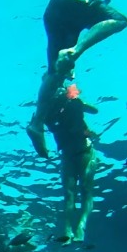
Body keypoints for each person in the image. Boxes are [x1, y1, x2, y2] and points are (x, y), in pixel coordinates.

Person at [26, 0, 127, 157]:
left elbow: (90, 0)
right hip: (69, 2)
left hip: (57, 11)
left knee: (55, 74)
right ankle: (74, 51)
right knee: (120, 20)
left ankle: (36, 123)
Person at [46, 84, 100, 243]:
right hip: (70, 154)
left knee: (83, 190)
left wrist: (78, 101)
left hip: (84, 151)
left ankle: (79, 227)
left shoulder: (73, 103)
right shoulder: (51, 110)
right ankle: (68, 230)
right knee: (72, 193)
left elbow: (94, 110)